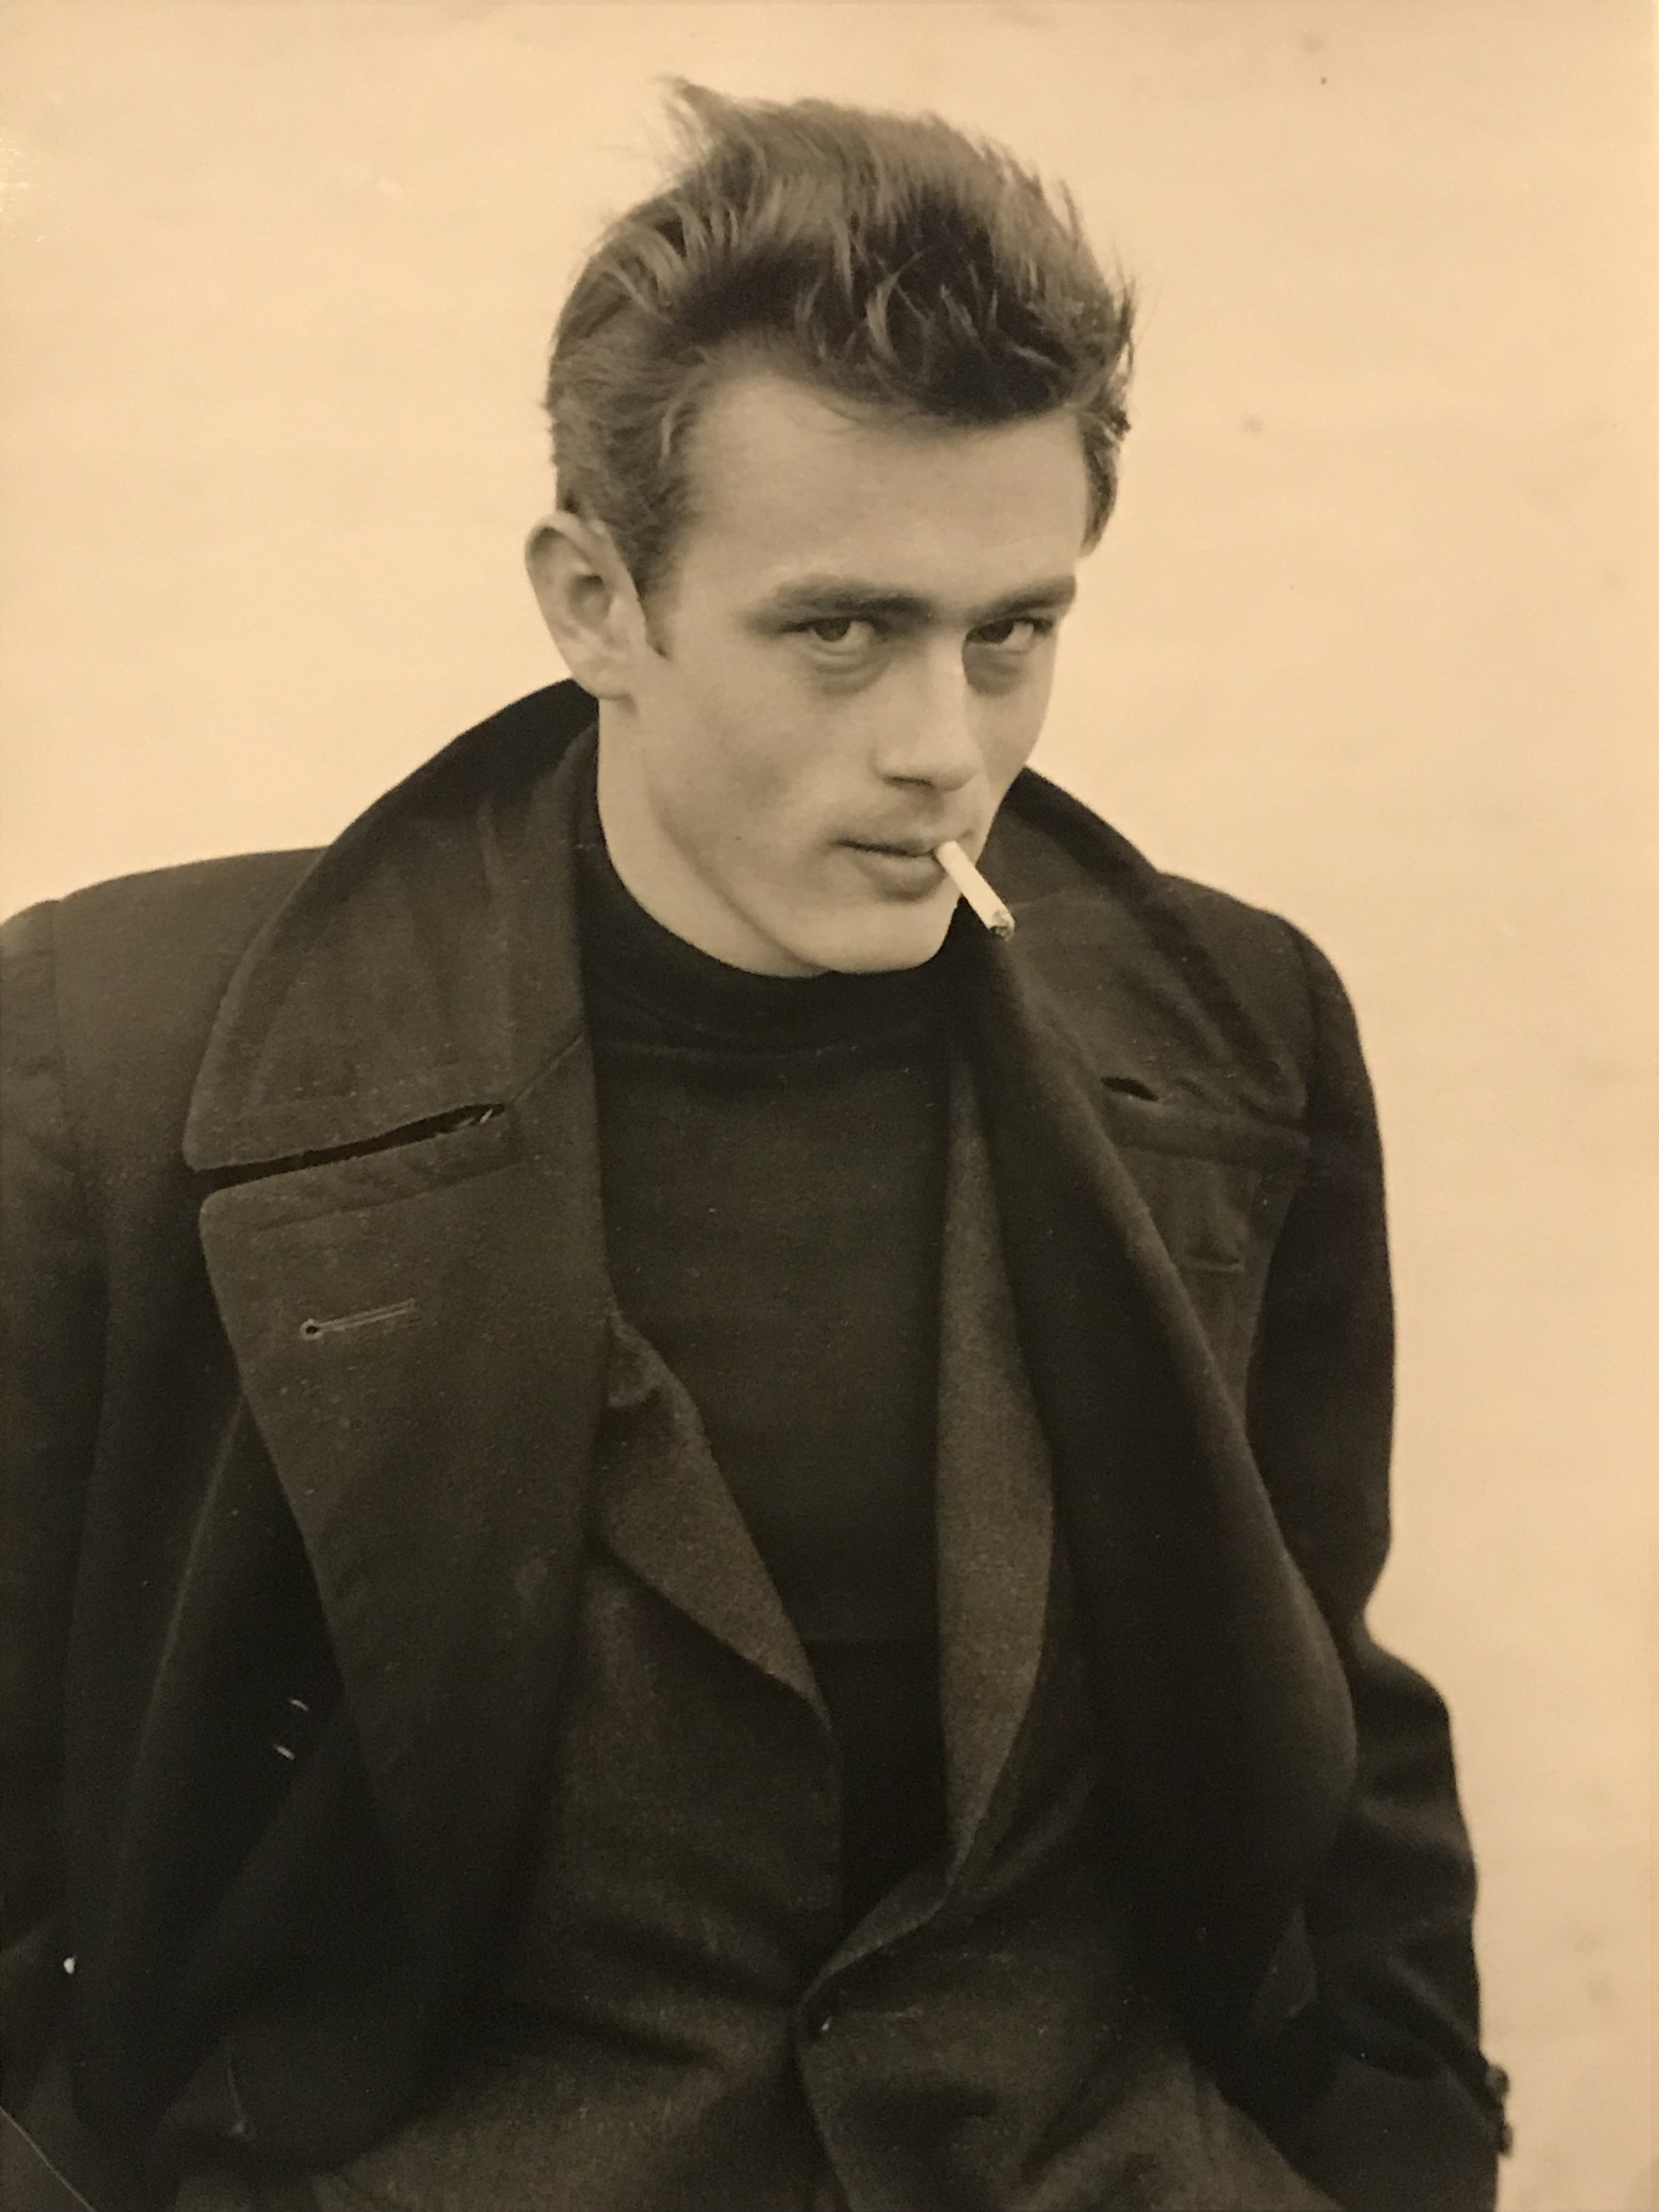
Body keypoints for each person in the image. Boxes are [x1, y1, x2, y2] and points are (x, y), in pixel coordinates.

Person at [0, 81, 1510, 2212]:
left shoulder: (1239, 1029)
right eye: (839, 631)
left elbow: (1327, 1709)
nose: (944, 747)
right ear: (593, 600)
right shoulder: (119, 1055)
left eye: (1014, 632)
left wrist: (1402, 2165)